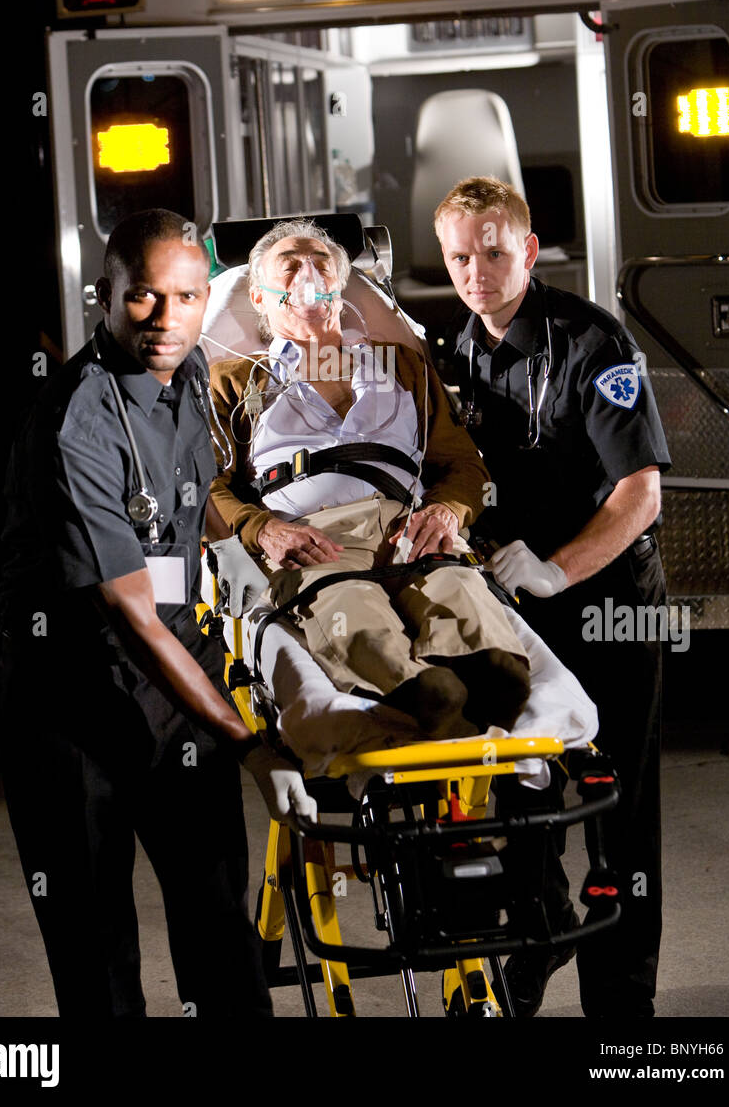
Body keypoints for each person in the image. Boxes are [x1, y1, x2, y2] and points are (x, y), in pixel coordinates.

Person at [0, 208, 315, 1019]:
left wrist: (250, 527)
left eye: (187, 297)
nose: (167, 320)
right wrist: (249, 744)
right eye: (144, 298)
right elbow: (133, 612)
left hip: (175, 678)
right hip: (71, 700)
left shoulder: (191, 373)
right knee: (97, 954)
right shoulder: (75, 423)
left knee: (219, 926)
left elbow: (186, 493)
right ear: (104, 295)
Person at [435, 176, 671, 1019]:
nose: (476, 271)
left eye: (493, 252)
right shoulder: (450, 353)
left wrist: (559, 571)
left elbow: (639, 492)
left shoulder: (591, 343)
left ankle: (621, 1012)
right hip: (513, 605)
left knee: (615, 803)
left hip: (605, 597)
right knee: (520, 792)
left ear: (528, 251)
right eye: (460, 255)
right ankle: (533, 946)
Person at [207, 218, 533, 741]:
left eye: (322, 265)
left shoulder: (401, 364)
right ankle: (416, 692)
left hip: (412, 529)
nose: (309, 278)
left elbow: (462, 464)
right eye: (289, 268)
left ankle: (489, 677)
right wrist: (261, 529)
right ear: (256, 295)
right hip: (316, 540)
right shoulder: (237, 380)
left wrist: (448, 511)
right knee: (343, 602)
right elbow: (206, 488)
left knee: (463, 600)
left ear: (342, 282)